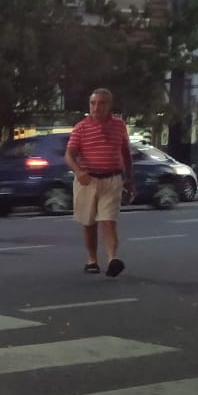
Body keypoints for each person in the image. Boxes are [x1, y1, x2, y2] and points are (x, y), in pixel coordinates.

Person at [65, 88, 133, 277]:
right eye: (93, 103)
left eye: (102, 103)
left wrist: (129, 179)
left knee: (108, 221)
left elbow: (126, 153)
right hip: (88, 180)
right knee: (88, 223)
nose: (96, 107)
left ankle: (112, 259)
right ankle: (92, 259)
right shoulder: (81, 127)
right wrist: (78, 172)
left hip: (112, 179)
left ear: (109, 105)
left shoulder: (119, 126)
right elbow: (69, 154)